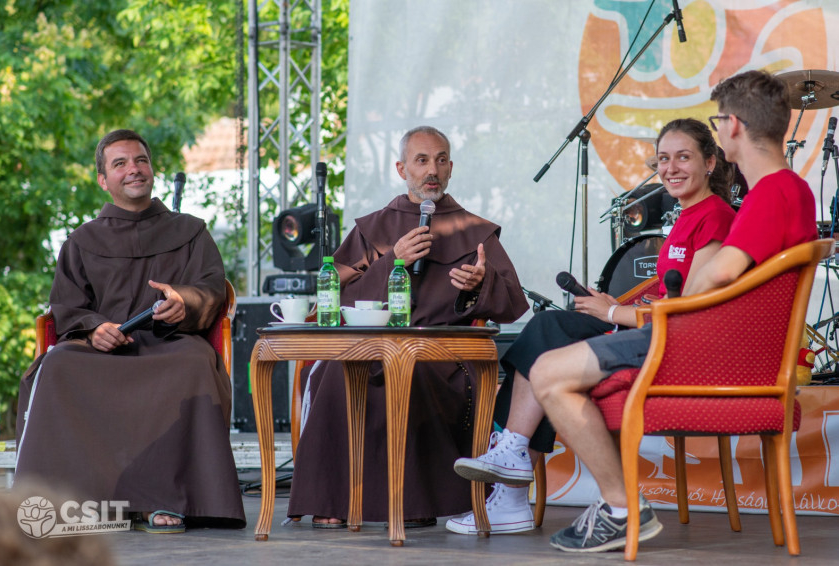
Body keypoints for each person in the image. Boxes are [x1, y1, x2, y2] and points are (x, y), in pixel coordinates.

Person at [529, 69, 817, 553]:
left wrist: (671, 311)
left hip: (696, 344)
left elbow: (722, 274)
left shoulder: (773, 191)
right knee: (561, 363)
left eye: (718, 121)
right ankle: (619, 504)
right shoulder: (790, 190)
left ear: (733, 126)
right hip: (708, 339)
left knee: (547, 372)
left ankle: (621, 507)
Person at [447, 118, 737, 535]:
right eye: (663, 159)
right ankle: (512, 470)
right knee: (546, 333)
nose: (670, 168)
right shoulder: (687, 216)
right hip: (650, 329)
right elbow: (670, 297)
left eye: (683, 157)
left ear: (709, 162)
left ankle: (511, 479)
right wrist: (616, 307)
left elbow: (690, 309)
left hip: (674, 345)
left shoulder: (716, 216)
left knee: (547, 333)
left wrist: (613, 314)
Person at [287, 125, 528, 527]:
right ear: (402, 169)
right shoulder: (373, 227)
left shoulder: (474, 230)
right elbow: (334, 296)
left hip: (442, 355)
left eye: (441, 160)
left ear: (450, 168)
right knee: (337, 370)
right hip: (372, 345)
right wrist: (391, 261)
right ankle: (336, 499)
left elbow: (513, 303)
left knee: (411, 370)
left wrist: (480, 284)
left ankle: (412, 503)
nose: (432, 169)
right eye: (422, 160)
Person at [15, 129, 246, 533]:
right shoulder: (81, 241)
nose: (134, 169)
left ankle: (166, 500)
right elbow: (66, 306)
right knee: (56, 366)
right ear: (103, 180)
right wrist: (94, 329)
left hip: (171, 343)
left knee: (195, 362)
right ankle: (75, 503)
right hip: (102, 350)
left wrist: (184, 302)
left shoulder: (191, 231)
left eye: (141, 160)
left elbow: (212, 289)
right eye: (119, 164)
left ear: (152, 169)